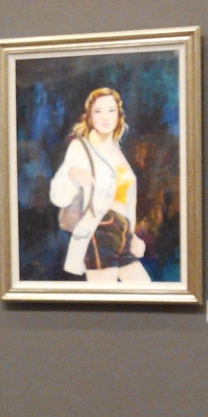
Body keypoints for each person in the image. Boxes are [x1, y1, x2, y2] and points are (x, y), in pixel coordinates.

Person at [48, 87, 149, 283]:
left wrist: (132, 236)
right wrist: (72, 176)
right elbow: (58, 196)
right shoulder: (81, 147)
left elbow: (124, 201)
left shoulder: (117, 150)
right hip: (100, 229)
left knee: (144, 290)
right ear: (89, 116)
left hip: (122, 232)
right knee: (106, 295)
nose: (105, 117)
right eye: (98, 111)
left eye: (111, 110)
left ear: (119, 115)